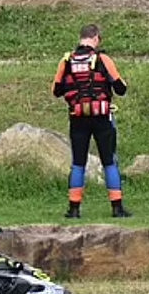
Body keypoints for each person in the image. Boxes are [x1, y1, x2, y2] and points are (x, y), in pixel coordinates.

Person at [52, 24, 130, 219]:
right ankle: (117, 207)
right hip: (102, 118)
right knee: (109, 162)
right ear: (96, 39)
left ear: (81, 38)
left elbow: (56, 90)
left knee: (78, 163)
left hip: (77, 118)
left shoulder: (67, 61)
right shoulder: (102, 59)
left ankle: (74, 209)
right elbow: (121, 88)